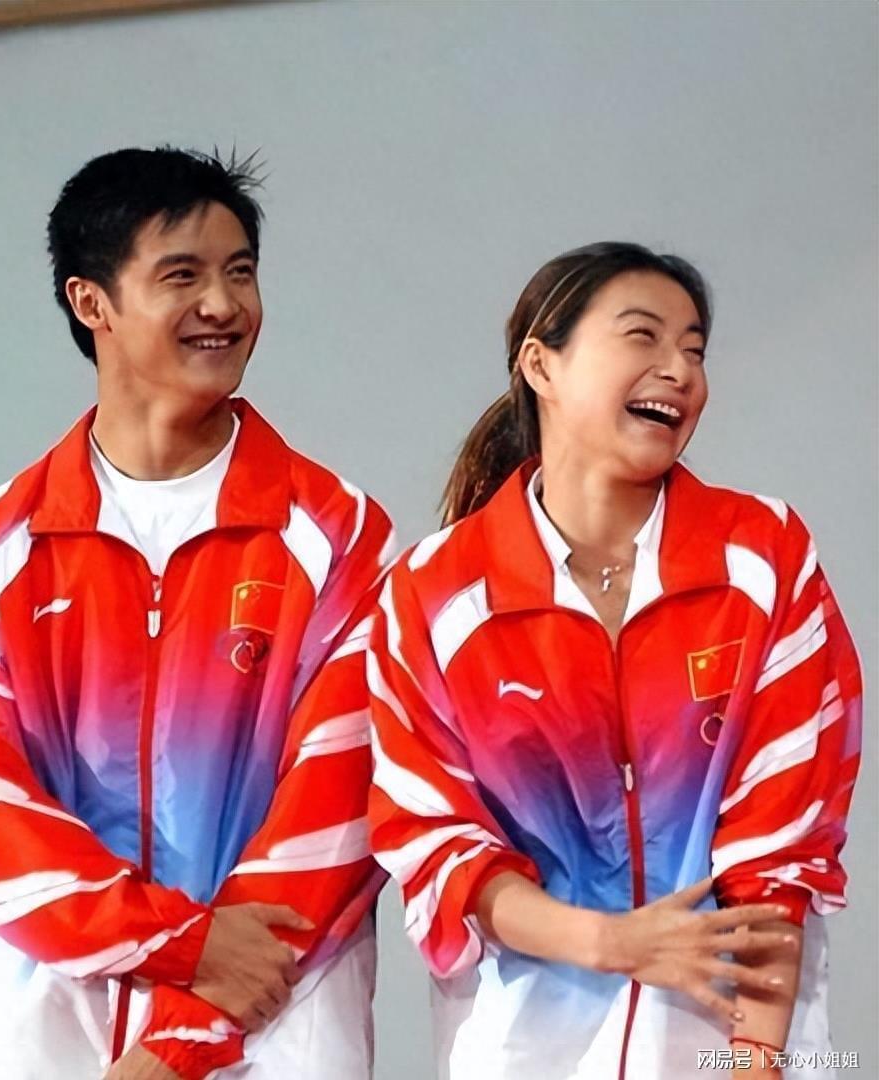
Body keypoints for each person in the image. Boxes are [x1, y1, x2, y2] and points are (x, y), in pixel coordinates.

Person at [0, 147, 393, 1080]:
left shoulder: (340, 538)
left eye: (240, 272)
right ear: (92, 303)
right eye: (183, 276)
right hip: (37, 1028)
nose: (223, 304)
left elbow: (335, 819)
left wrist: (179, 1041)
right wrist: (183, 943)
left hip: (268, 1026)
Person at [367, 242, 862, 1080]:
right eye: (643, 336)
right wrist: (612, 943)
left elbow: (782, 839)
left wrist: (754, 1061)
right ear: (541, 365)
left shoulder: (763, 558)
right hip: (524, 1048)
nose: (679, 370)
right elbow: (437, 840)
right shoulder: (435, 593)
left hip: (735, 1038)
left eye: (695, 350)